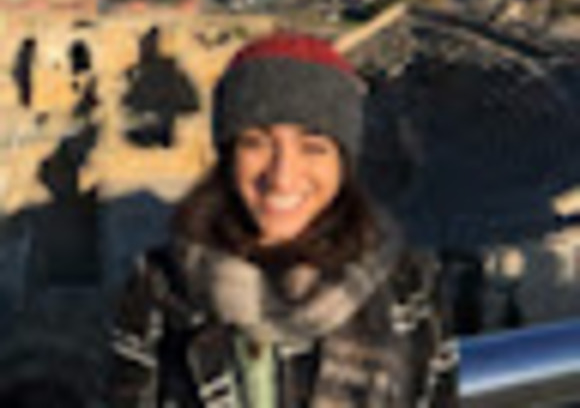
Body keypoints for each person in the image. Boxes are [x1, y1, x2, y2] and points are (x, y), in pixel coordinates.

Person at [111, 32, 458, 407]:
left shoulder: (409, 284)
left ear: (343, 163)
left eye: (313, 148)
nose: (282, 176)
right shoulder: (162, 289)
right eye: (256, 143)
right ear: (228, 155)